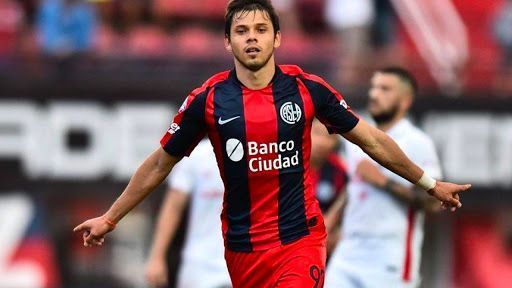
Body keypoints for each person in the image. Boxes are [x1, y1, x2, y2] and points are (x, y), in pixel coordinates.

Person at [73, 1, 470, 287]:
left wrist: (430, 184)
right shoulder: (207, 100)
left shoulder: (307, 90)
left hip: (300, 239)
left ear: (277, 37)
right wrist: (111, 218)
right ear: (228, 42)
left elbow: (372, 140)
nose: (252, 39)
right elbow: (160, 164)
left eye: (261, 30)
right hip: (243, 247)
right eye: (242, 31)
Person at [325, 67, 443, 288]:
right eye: (374, 88)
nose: (374, 94)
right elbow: (355, 187)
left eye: (385, 89)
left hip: (390, 256)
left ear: (406, 100)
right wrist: (330, 222)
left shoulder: (417, 142)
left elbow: (433, 202)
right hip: (349, 250)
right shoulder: (358, 134)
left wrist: (383, 181)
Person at [144, 139, 231, 288]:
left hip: (247, 260)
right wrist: (156, 256)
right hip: (200, 266)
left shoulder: (258, 153)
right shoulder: (196, 156)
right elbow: (173, 207)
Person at [310, 119, 348, 259]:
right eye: (317, 133)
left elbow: (346, 204)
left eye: (329, 137)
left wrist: (336, 233)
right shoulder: (287, 165)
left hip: (325, 249)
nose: (322, 142)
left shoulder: (340, 172)